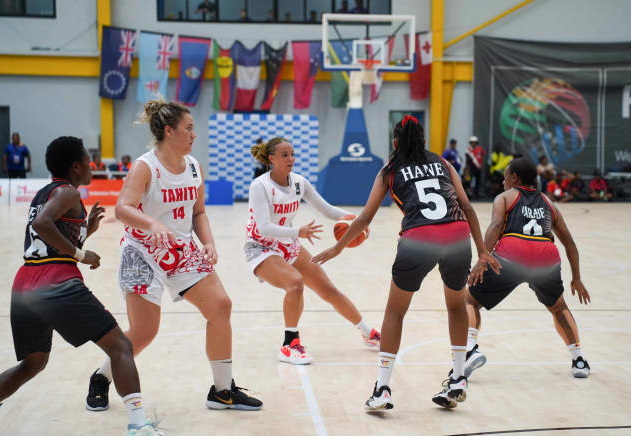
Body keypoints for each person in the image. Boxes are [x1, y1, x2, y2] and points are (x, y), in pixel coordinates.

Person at [0, 136, 181, 436]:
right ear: (75, 166)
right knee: (121, 346)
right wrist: (81, 254)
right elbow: (42, 224)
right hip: (55, 281)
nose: (91, 166)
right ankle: (138, 429)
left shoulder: (44, 192)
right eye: (86, 160)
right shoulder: (67, 192)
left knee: (33, 363)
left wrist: (86, 230)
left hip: (24, 283)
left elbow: (46, 235)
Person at [85, 100, 262, 413]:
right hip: (142, 251)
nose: (194, 134)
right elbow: (123, 208)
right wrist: (152, 224)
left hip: (180, 249)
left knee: (220, 306)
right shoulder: (146, 167)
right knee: (145, 331)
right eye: (188, 128)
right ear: (169, 131)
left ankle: (222, 390)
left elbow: (199, 212)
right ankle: (101, 377)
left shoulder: (194, 167)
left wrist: (209, 243)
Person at [313, 116, 500, 410]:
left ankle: (383, 389)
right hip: (457, 236)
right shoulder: (443, 163)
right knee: (456, 306)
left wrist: (338, 247)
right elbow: (466, 206)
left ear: (395, 141)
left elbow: (365, 217)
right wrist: (482, 250)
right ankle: (458, 379)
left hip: (418, 239)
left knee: (395, 312)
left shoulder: (389, 170)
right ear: (423, 140)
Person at [246, 137, 381, 365]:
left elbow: (327, 209)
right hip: (261, 246)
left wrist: (357, 220)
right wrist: (297, 231)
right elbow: (263, 227)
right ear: (271, 158)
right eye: (284, 155)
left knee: (329, 290)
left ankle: (368, 333)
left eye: (292, 154)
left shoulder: (299, 182)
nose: (290, 159)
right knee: (295, 283)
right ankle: (289, 345)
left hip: (288, 243)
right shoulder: (260, 186)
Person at [465, 157, 591, 379]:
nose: (503, 182)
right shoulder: (549, 204)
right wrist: (577, 278)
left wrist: (483, 258)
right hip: (546, 260)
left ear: (514, 178)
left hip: (512, 256)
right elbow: (569, 243)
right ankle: (579, 360)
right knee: (558, 307)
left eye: (505, 177)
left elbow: (496, 225)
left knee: (469, 301)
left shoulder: (505, 197)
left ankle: (470, 350)